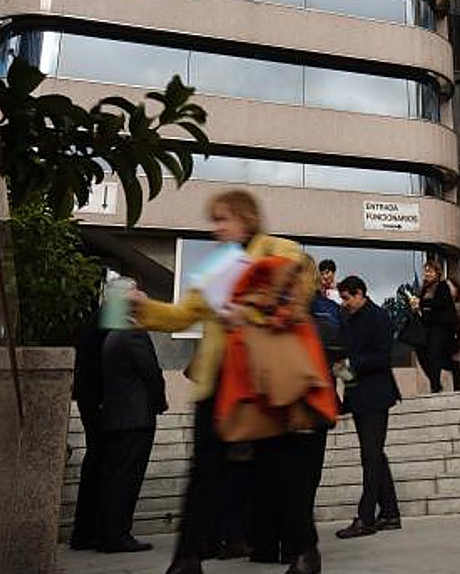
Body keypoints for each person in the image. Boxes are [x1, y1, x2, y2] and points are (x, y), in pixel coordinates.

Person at [129, 190, 325, 574]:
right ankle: (187, 558)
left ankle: (305, 551)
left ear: (245, 218)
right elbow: (183, 315)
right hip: (220, 381)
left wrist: (249, 309)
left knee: (278, 468)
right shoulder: (216, 268)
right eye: (215, 221)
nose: (216, 229)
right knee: (205, 470)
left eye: (223, 219)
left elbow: (298, 294)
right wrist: (145, 308)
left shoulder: (280, 250)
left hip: (264, 380)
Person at [335, 276, 402, 539]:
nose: (345, 303)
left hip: (376, 395)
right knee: (374, 454)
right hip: (358, 395)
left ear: (360, 293)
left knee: (371, 456)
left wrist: (350, 364)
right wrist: (343, 372)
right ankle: (390, 513)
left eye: (347, 298)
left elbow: (383, 356)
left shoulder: (378, 316)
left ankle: (365, 518)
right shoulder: (347, 318)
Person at [96, 326, 167, 553]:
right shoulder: (134, 333)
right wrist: (160, 402)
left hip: (117, 416)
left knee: (116, 477)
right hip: (135, 417)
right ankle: (118, 534)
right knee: (128, 478)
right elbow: (150, 371)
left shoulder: (113, 335)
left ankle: (108, 532)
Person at [69, 315, 109, 551]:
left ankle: (85, 530)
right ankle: (88, 531)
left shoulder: (93, 323)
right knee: (98, 462)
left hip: (90, 400)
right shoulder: (104, 326)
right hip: (97, 402)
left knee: (96, 460)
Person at [412, 261, 456, 393]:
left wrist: (423, 303)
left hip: (441, 326)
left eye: (430, 271)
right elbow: (422, 308)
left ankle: (435, 386)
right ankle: (435, 381)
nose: (427, 274)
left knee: (434, 354)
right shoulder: (424, 289)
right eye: (425, 271)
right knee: (421, 353)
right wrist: (415, 307)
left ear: (437, 273)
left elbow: (441, 303)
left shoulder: (442, 286)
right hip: (427, 326)